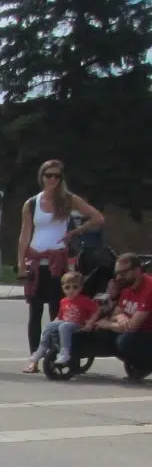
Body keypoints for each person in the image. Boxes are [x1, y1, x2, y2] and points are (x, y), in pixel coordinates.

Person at [18, 160, 106, 354]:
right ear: (41, 177)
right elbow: (24, 235)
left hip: (57, 261)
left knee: (56, 310)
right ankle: (34, 357)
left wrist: (75, 232)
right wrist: (21, 263)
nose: (52, 179)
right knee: (35, 312)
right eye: (48, 175)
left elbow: (98, 217)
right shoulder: (31, 203)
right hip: (36, 260)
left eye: (57, 176)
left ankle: (54, 352)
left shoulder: (67, 199)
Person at [23, 271, 99, 373]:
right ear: (63, 288)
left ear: (81, 288)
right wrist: (52, 325)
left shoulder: (84, 300)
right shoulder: (63, 301)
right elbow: (59, 316)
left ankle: (65, 352)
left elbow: (96, 310)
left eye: (75, 287)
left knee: (64, 326)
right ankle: (41, 349)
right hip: (65, 323)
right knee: (50, 325)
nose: (71, 290)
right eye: (67, 287)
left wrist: (90, 322)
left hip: (78, 325)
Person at [95, 254, 152, 380]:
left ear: (137, 271)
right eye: (117, 273)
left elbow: (131, 327)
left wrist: (107, 324)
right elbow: (116, 313)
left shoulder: (149, 289)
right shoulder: (127, 287)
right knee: (101, 334)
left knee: (125, 341)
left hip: (147, 333)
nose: (119, 277)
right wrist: (120, 316)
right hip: (137, 332)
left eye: (123, 273)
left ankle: (145, 365)